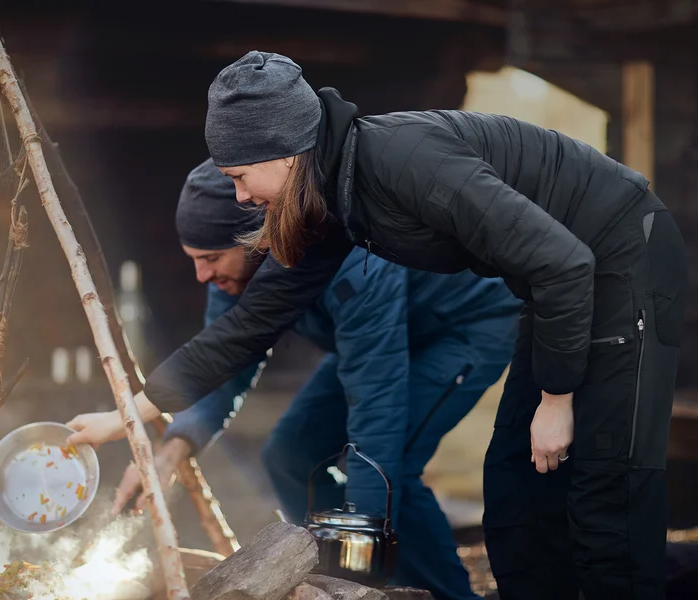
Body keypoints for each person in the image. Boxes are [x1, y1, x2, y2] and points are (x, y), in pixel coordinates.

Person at [124, 51, 687, 599]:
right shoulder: (331, 201)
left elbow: (562, 262)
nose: (241, 195)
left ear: (285, 153)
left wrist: (556, 397)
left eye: (241, 177)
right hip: (553, 288)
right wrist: (135, 413)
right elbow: (249, 327)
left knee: (605, 497)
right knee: (516, 493)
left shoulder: (400, 161)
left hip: (614, 260)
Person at [67, 157, 523, 600]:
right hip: (376, 338)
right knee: (290, 454)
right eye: (194, 260)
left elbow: (376, 409)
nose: (202, 275)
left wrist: (366, 559)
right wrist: (169, 453)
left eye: (211, 258)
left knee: (389, 466)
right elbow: (224, 366)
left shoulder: (355, 263)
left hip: (459, 324)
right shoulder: (230, 279)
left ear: (256, 240)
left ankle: (437, 594)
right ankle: (331, 579)